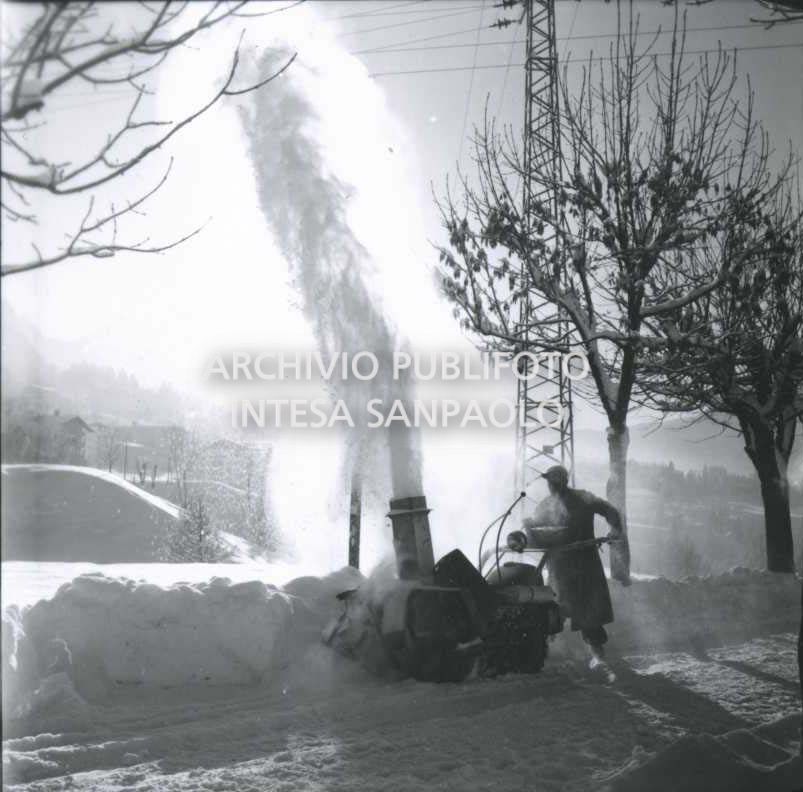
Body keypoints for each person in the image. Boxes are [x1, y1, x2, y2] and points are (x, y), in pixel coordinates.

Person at [507, 465, 623, 673]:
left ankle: (599, 657)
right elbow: (538, 529)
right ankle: (550, 652)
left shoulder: (583, 498)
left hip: (584, 565)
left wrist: (615, 528)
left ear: (561, 481)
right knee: (555, 608)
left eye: (553, 481)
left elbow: (610, 511)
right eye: (550, 482)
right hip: (559, 567)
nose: (551, 486)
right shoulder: (546, 505)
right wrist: (529, 525)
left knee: (589, 614)